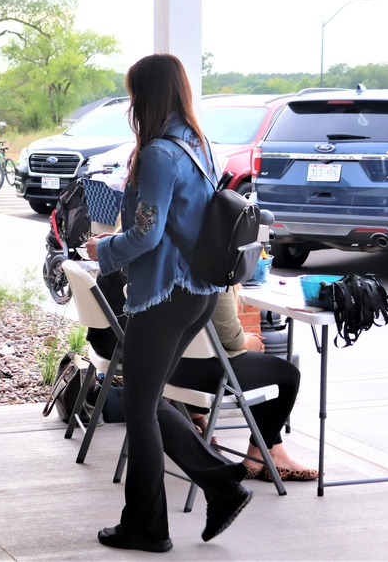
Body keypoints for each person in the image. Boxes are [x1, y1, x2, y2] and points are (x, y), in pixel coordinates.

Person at [84, 53, 251, 554]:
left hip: (163, 294)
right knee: (150, 399)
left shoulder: (159, 152)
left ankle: (148, 526)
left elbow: (145, 233)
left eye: (134, 94)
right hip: (198, 294)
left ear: (149, 96)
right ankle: (221, 483)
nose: (130, 104)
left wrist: (103, 250)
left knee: (139, 407)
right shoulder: (200, 144)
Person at [167, 286, 317, 482]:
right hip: (206, 374)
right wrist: (248, 342)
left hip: (172, 370)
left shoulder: (169, 268)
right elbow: (231, 337)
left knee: (261, 371)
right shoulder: (217, 275)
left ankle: (272, 451)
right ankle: (259, 456)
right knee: (287, 376)